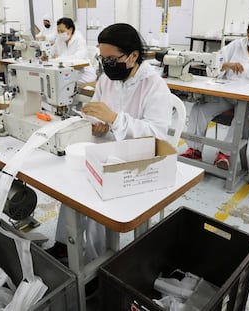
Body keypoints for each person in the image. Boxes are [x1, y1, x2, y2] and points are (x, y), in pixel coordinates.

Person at [47, 23, 173, 263]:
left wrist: (115, 119)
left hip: (139, 160)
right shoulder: (107, 80)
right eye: (102, 58)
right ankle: (64, 244)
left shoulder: (154, 86)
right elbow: (95, 111)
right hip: (107, 148)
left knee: (95, 193)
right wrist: (96, 122)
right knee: (69, 184)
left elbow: (157, 138)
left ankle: (98, 262)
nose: (106, 65)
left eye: (112, 59)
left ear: (134, 55)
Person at [180, 12, 249, 170]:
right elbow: (214, 67)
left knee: (247, 115)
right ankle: (194, 150)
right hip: (228, 93)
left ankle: (225, 154)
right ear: (248, 34)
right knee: (199, 109)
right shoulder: (235, 46)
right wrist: (228, 65)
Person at [49, 17, 96, 83]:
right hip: (66, 72)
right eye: (58, 31)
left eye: (62, 31)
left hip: (83, 73)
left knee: (64, 83)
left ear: (70, 30)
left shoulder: (79, 40)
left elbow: (78, 57)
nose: (60, 33)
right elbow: (51, 53)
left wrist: (59, 58)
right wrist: (47, 55)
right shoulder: (59, 40)